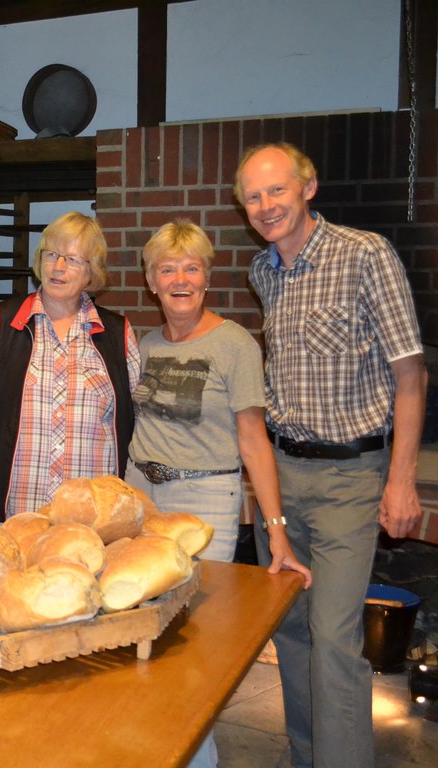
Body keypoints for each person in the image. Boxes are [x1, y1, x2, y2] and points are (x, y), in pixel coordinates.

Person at [237, 143, 427, 768]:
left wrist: (401, 482)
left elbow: (411, 374)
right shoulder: (262, 272)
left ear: (308, 186)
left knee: (334, 640)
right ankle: (306, 755)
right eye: (253, 196)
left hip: (351, 478)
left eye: (277, 190)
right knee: (289, 629)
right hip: (283, 478)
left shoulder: (365, 254)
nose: (266, 205)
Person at [126, 219, 312, 768]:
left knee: (193, 636)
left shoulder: (234, 344)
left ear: (206, 276)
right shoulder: (144, 344)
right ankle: (148, 741)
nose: (180, 278)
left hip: (207, 500)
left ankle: (198, 755)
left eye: (191, 267)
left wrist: (275, 532)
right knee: (141, 627)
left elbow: (255, 443)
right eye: (167, 269)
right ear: (151, 281)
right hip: (142, 495)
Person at [0, 211, 140, 521]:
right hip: (15, 509)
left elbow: (138, 422)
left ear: (90, 272)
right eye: (51, 254)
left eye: (71, 259)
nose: (58, 267)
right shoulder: (1, 321)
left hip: (95, 516)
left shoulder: (117, 334)